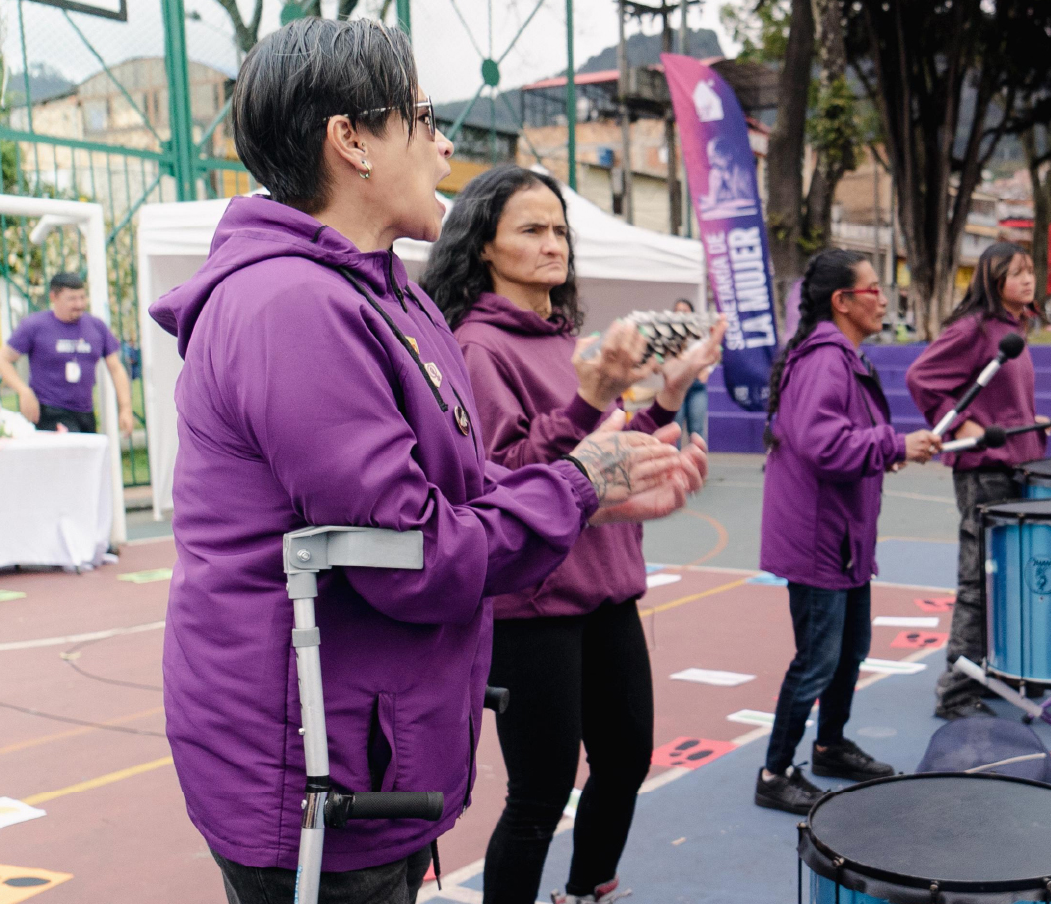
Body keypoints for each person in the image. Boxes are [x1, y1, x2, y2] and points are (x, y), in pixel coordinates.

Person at [147, 20, 705, 904]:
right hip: (313, 766)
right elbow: (409, 552)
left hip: (370, 745)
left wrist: (597, 495)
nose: (445, 144)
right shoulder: (292, 306)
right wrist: (577, 482)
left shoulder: (385, 294)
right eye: (421, 117)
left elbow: (467, 491)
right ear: (351, 141)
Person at [424, 165, 722, 904]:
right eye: (531, 229)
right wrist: (593, 399)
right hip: (534, 607)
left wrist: (666, 400)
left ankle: (589, 890)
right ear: (484, 246)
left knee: (624, 761)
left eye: (559, 229)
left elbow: (604, 451)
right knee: (539, 795)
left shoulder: (563, 340)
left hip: (607, 592)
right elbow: (505, 480)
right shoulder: (477, 349)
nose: (553, 243)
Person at [756, 249, 941, 813]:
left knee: (849, 649)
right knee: (817, 657)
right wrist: (892, 444)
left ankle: (830, 744)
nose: (884, 298)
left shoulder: (842, 357)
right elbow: (821, 443)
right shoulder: (825, 360)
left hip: (843, 537)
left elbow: (842, 439)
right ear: (843, 301)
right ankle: (775, 772)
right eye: (874, 290)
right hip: (820, 540)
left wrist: (887, 449)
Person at [906, 242, 1042, 719]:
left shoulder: (1012, 329)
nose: (1028, 280)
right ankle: (957, 690)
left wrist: (1027, 418)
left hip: (1017, 465)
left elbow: (998, 398)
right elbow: (922, 377)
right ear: (992, 279)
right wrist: (958, 422)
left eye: (1030, 271)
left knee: (1007, 578)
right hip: (984, 472)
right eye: (1017, 273)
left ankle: (997, 670)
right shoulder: (973, 328)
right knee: (978, 579)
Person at [0, 272, 134, 435]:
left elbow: (116, 368)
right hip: (50, 411)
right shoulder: (35, 325)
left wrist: (125, 408)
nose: (79, 304)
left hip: (85, 412)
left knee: (86, 457)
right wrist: (24, 391)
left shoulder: (96, 327)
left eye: (82, 297)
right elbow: (1, 359)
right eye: (72, 299)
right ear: (54, 297)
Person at [672, 298, 712, 449]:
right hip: (676, 387)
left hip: (696, 387)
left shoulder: (701, 333)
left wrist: (707, 369)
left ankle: (697, 467)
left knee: (696, 430)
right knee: (674, 430)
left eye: (685, 311)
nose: (681, 314)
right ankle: (672, 467)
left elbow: (713, 352)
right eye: (678, 311)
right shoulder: (669, 334)